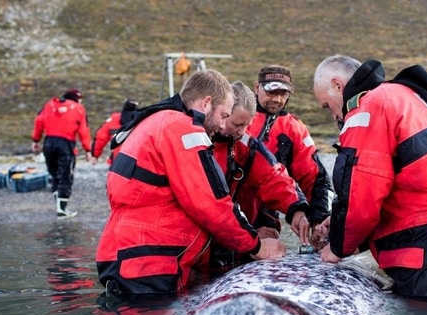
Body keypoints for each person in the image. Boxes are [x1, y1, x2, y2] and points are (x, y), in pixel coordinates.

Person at [312, 55, 427, 298]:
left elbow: (362, 197)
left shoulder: (368, 108)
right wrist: (337, 222)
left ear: (337, 85)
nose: (335, 117)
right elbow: (416, 182)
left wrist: (337, 248)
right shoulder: (413, 97)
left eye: (327, 106)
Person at [96, 69, 286, 297]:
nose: (222, 126)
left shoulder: (156, 120)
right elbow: (210, 203)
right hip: (149, 263)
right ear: (206, 103)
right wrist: (256, 246)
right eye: (224, 116)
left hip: (128, 256)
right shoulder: (183, 130)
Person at [209, 81, 311, 269]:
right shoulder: (197, 144)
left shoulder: (246, 145)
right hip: (203, 238)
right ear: (221, 113)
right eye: (237, 124)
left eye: (246, 126)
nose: (241, 131)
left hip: (233, 236)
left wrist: (296, 210)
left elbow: (273, 177)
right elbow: (211, 206)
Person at [247, 65, 334, 244]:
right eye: (272, 92)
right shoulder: (237, 119)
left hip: (265, 222)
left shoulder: (294, 128)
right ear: (257, 87)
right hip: (227, 211)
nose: (277, 99)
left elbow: (316, 179)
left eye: (283, 94)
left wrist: (319, 221)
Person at [31, 88, 94, 218]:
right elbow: (84, 130)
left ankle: (59, 205)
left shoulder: (50, 105)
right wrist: (88, 150)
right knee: (66, 175)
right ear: (77, 98)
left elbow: (39, 121)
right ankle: (62, 209)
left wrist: (36, 140)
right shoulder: (78, 109)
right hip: (66, 144)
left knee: (55, 174)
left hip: (49, 143)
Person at [91, 99, 139, 165]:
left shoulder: (113, 119)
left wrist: (95, 155)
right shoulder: (142, 120)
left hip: (116, 162)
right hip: (136, 163)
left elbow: (100, 137)